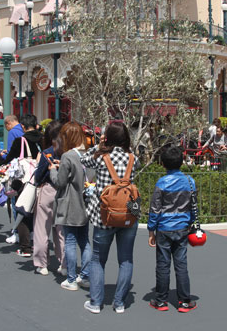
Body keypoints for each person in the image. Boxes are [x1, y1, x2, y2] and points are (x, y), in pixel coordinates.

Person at [80, 121, 140, 314]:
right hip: (128, 215)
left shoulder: (99, 157)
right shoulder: (133, 158)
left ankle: (96, 302)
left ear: (107, 137)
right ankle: (120, 302)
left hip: (104, 216)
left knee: (98, 259)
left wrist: (100, 145)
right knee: (126, 259)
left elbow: (84, 159)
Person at [147, 145, 197, 313]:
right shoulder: (190, 182)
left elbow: (155, 208)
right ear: (181, 162)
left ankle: (161, 300)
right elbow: (193, 205)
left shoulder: (162, 182)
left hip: (164, 228)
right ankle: (184, 301)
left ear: (163, 164)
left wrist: (151, 230)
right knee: (181, 264)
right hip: (182, 227)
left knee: (163, 264)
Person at [49, 122, 91, 290]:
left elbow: (60, 181)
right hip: (86, 204)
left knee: (70, 241)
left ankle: (72, 279)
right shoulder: (88, 154)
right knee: (85, 242)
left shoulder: (67, 156)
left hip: (70, 204)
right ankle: (85, 276)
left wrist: (53, 169)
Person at [2, 114, 43, 256]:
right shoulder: (43, 139)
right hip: (39, 178)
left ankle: (25, 247)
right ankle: (36, 239)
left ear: (23, 127)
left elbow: (9, 159)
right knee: (37, 211)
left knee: (22, 210)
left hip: (23, 181)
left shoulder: (20, 141)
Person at [32, 120, 66, 276]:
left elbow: (38, 176)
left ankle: (42, 264)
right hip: (64, 193)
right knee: (62, 231)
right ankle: (65, 263)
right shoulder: (67, 152)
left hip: (47, 191)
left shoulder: (47, 153)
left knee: (41, 229)